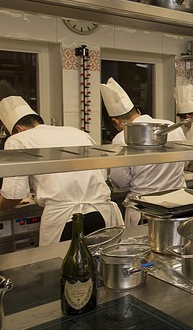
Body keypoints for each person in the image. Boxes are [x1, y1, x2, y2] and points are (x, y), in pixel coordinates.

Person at [0, 85, 123, 246]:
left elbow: (14, 194)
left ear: (18, 129)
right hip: (100, 215)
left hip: (64, 220)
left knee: (60, 267)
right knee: (99, 264)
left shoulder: (17, 140)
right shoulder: (77, 133)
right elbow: (101, 174)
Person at [101, 77, 187, 226]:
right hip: (179, 203)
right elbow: (184, 162)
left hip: (145, 209)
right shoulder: (170, 125)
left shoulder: (122, 137)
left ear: (115, 122)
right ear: (139, 111)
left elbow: (120, 181)